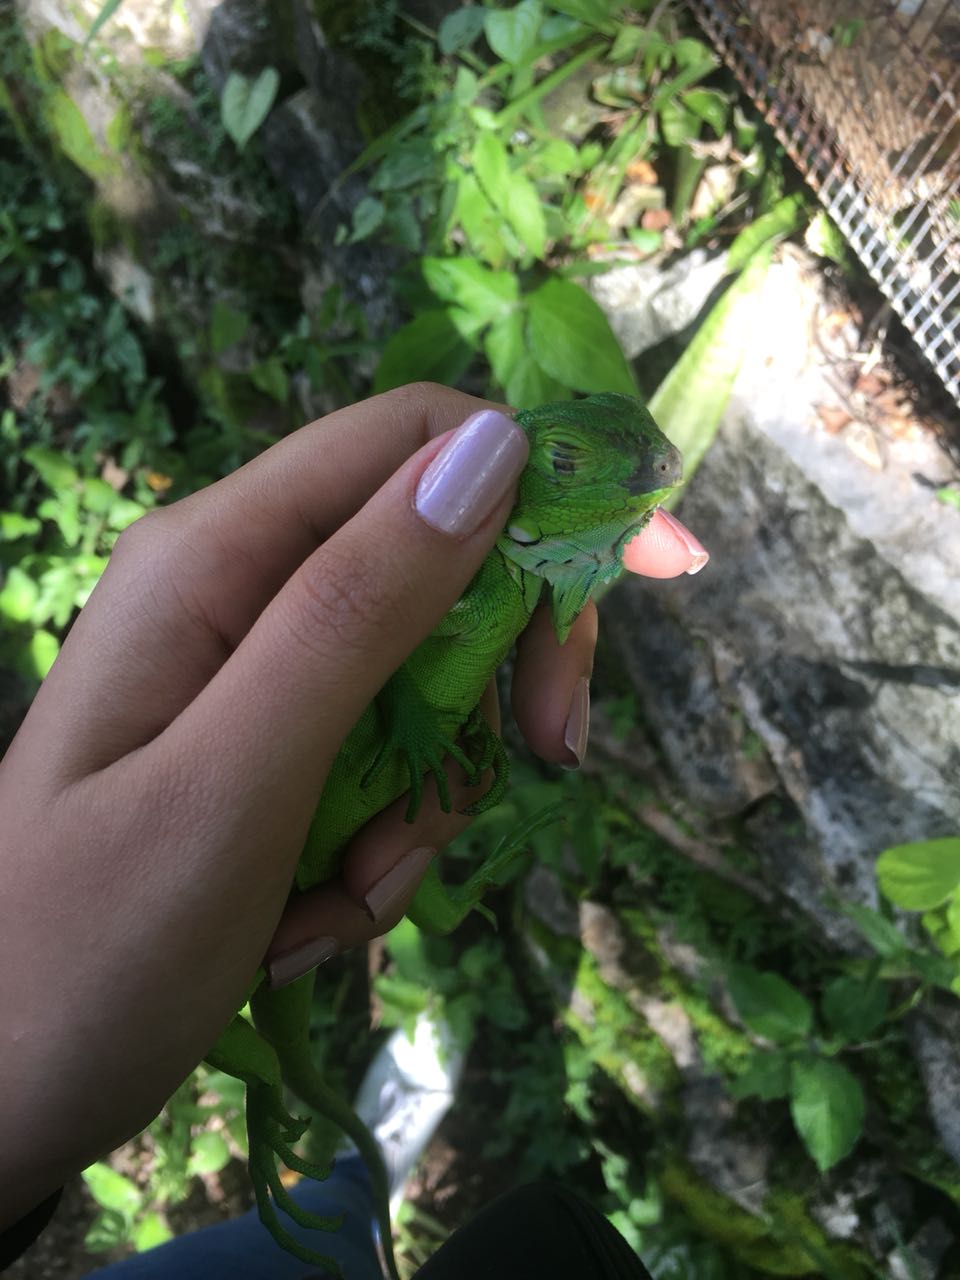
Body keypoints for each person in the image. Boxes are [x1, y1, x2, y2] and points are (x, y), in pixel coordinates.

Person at [0, 384, 708, 1277]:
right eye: (564, 462)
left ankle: (345, 1185)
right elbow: (404, 685)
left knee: (390, 876)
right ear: (517, 486)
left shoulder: (506, 575)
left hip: (325, 837)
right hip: (307, 846)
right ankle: (284, 1133)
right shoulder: (475, 575)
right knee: (285, 1048)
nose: (652, 466)